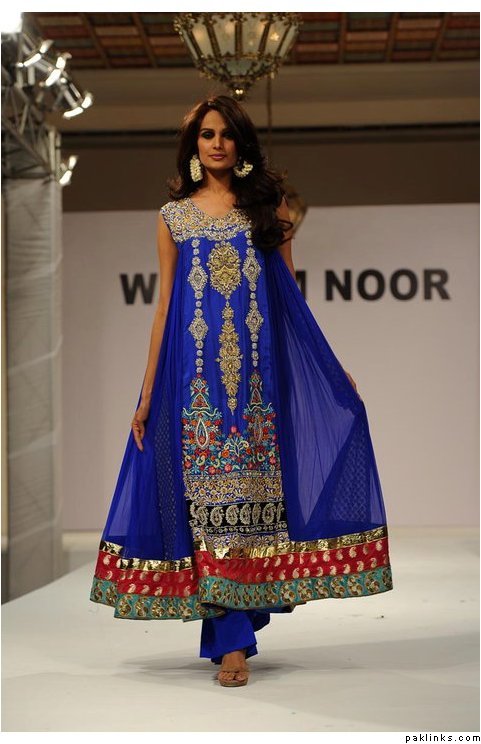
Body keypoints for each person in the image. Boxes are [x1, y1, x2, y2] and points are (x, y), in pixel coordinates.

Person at [90, 94, 393, 688]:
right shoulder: (173, 217)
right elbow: (164, 308)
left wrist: (329, 366)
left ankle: (238, 625)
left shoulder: (266, 206)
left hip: (258, 383)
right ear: (194, 145)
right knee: (207, 506)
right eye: (207, 135)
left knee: (254, 505)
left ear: (241, 143)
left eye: (226, 134)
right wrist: (147, 393)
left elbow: (289, 299)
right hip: (192, 384)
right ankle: (231, 644)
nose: (217, 144)